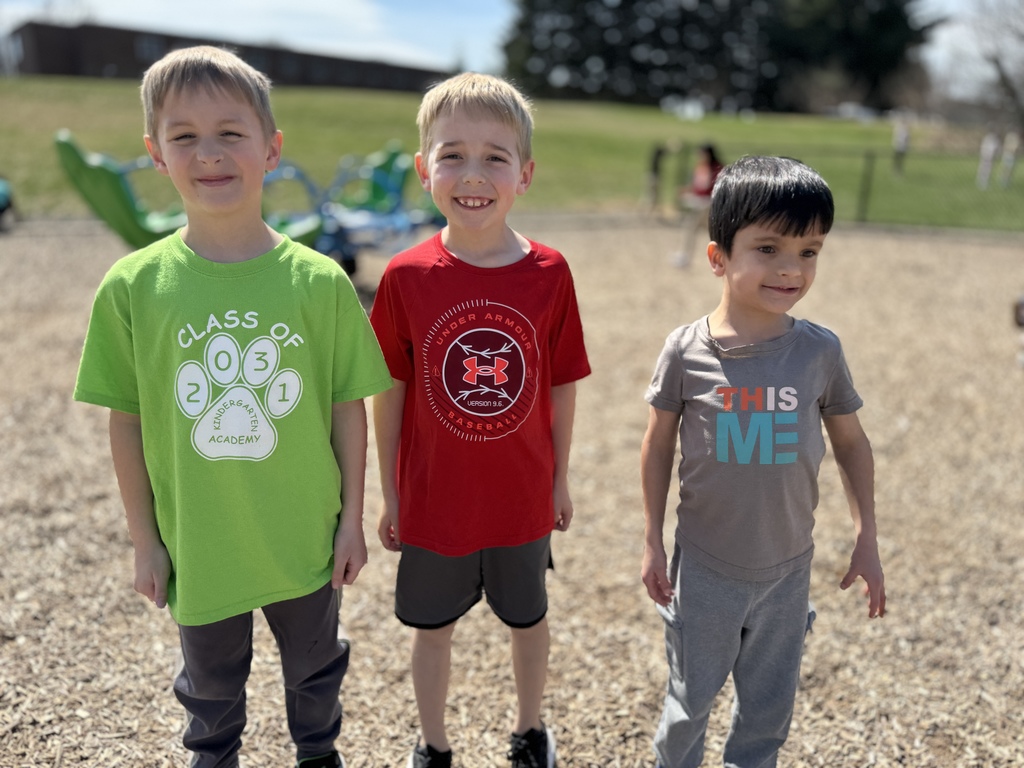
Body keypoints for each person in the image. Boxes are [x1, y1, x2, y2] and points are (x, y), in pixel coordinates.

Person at [73, 46, 393, 768]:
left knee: (317, 674)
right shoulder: (132, 287)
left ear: (271, 149)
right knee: (211, 690)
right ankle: (213, 757)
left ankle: (319, 754)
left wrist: (350, 521)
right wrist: (144, 540)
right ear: (156, 154)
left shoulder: (318, 282)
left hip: (303, 539)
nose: (209, 154)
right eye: (184, 136)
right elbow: (126, 422)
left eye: (230, 133)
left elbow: (347, 407)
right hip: (200, 542)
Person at [369, 72, 591, 768]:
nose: (473, 174)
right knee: (432, 629)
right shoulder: (406, 276)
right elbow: (390, 391)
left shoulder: (550, 273)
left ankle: (530, 732)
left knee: (528, 620)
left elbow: (559, 385)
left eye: (495, 156)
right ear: (422, 169)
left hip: (521, 498)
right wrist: (391, 491)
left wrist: (559, 480)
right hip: (436, 502)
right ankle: (433, 746)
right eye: (452, 154)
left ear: (524, 174)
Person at [641, 155, 886, 768]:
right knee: (688, 707)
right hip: (705, 570)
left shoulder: (819, 352)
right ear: (718, 257)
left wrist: (867, 538)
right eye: (770, 248)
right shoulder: (684, 350)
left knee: (767, 716)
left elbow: (852, 444)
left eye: (809, 251)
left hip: (786, 570)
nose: (791, 269)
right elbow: (658, 446)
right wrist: (650, 539)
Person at [672, 142, 723, 267]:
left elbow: (717, 190)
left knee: (701, 230)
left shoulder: (717, 168)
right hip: (699, 204)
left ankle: (686, 256)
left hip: (709, 206)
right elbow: (698, 188)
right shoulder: (700, 167)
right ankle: (685, 256)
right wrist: (687, 191)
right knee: (695, 229)